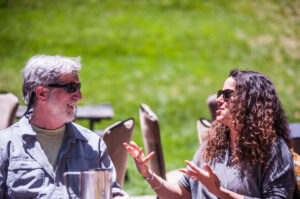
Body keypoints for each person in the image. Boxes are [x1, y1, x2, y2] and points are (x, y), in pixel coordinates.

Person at [124, 69, 296, 199]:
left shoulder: (273, 150)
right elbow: (182, 194)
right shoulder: (214, 144)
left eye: (227, 95)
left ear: (250, 102)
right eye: (221, 94)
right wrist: (148, 175)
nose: (219, 99)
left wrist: (219, 191)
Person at [0, 55, 128, 198]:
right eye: (71, 87)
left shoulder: (92, 144)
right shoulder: (5, 146)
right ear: (42, 93)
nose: (79, 96)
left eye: (78, 87)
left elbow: (111, 194)